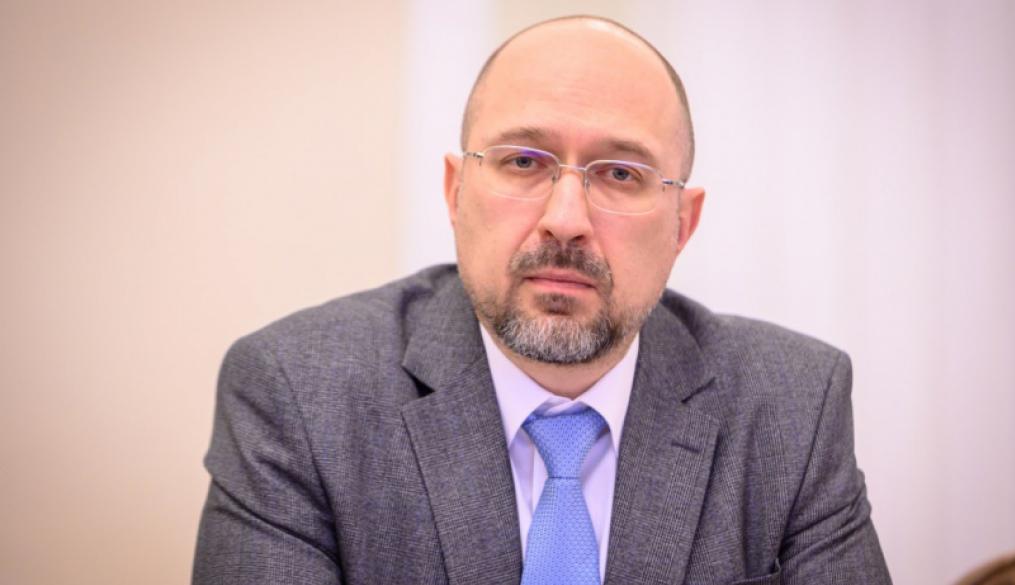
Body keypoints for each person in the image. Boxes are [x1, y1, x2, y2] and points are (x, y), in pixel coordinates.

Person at [192, 15, 891, 585]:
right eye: (523, 161)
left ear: (683, 223)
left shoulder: (793, 405)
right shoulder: (297, 393)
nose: (565, 219)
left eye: (621, 173)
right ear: (455, 192)